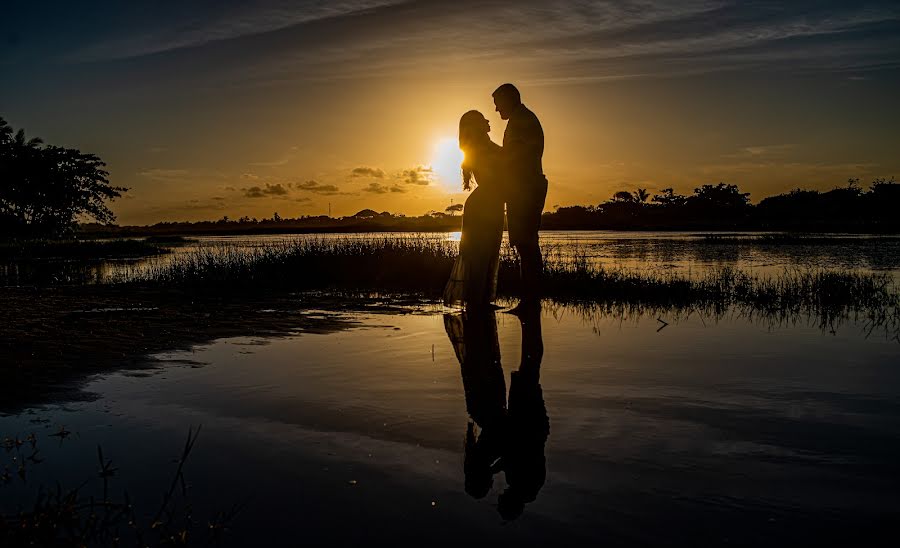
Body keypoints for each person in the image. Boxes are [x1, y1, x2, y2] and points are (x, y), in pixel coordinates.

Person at [493, 83, 548, 310]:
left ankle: (530, 301)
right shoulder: (521, 119)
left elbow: (512, 156)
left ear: (510, 99)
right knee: (526, 245)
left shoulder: (522, 120)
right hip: (524, 188)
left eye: (498, 104)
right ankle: (530, 299)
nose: (497, 110)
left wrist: (484, 150)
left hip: (526, 189)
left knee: (527, 245)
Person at [443, 110, 506, 309]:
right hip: (483, 206)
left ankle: (481, 302)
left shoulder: (483, 146)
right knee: (479, 255)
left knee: (488, 254)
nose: (488, 120)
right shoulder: (480, 148)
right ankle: (477, 303)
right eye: (482, 119)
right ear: (476, 126)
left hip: (491, 204)